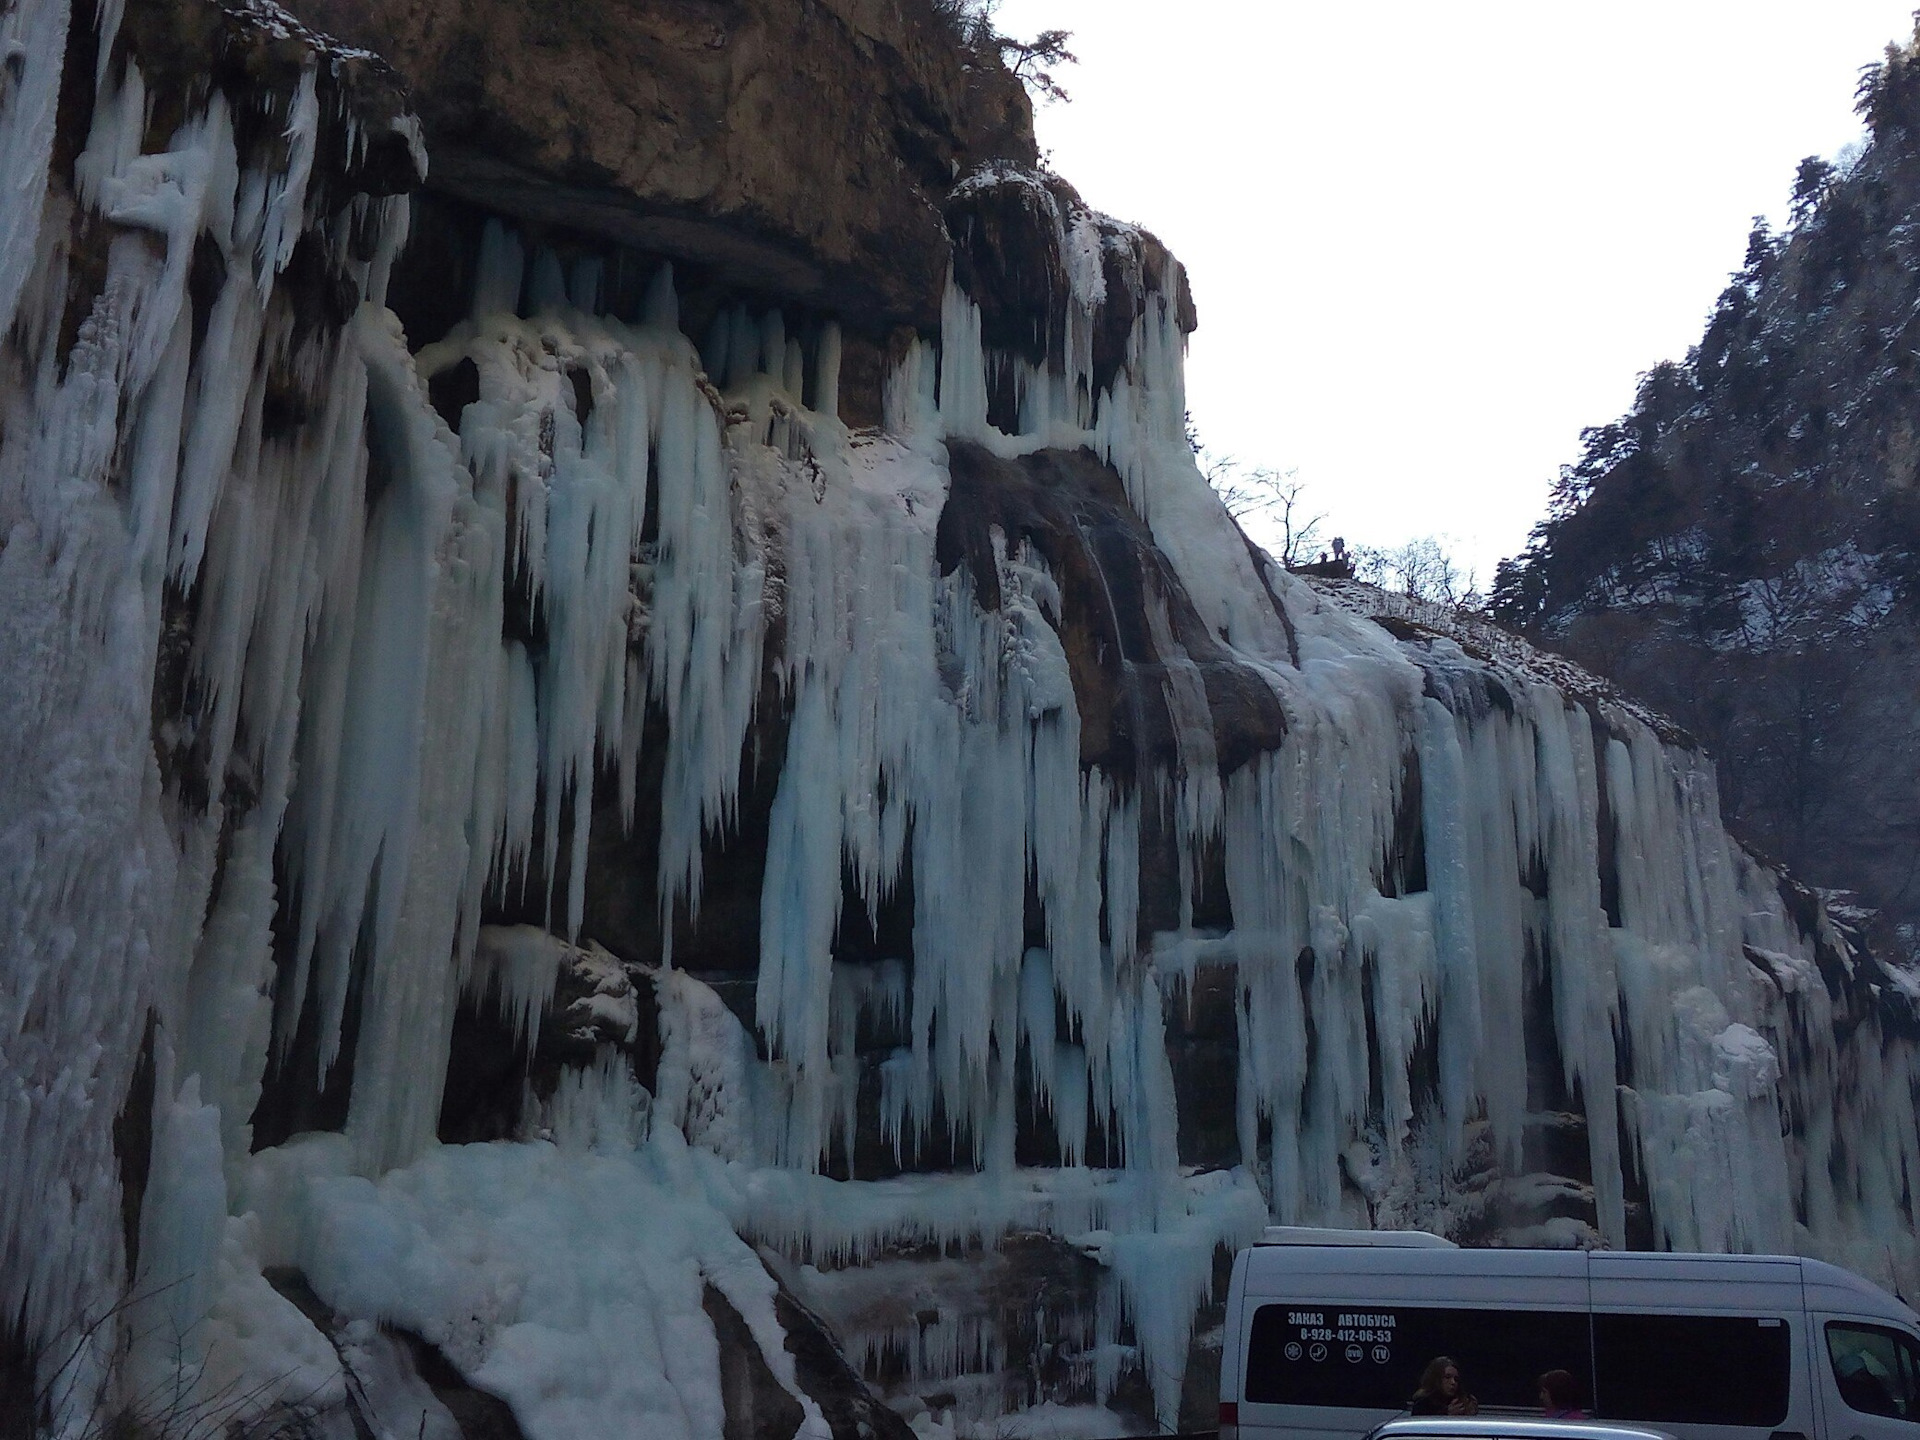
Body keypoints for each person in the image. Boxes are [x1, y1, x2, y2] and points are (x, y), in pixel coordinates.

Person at [1409, 1356, 1478, 1416]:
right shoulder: (1423, 1404)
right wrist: (1446, 1414)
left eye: (1456, 1379)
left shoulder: (1460, 1402)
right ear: (1435, 1378)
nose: (1453, 1382)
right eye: (1447, 1377)